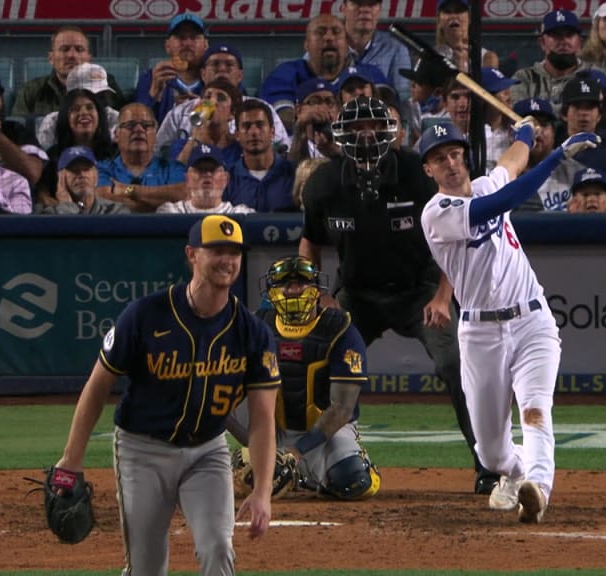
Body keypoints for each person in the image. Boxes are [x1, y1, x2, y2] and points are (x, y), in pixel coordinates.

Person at [52, 214, 280, 576]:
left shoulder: (252, 332)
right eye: (216, 250)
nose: (227, 260)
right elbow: (97, 387)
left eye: (234, 252)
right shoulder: (145, 315)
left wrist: (263, 491)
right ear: (192, 254)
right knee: (146, 567)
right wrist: (71, 459)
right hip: (142, 451)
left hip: (208, 451)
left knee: (218, 547)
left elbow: (264, 418)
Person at [299, 95, 499, 495]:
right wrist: (317, 293)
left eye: (374, 126)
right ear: (341, 135)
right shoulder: (323, 181)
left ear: (392, 130)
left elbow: (455, 236)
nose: (367, 135)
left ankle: (490, 465)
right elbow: (310, 242)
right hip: (357, 292)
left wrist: (443, 296)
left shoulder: (415, 173)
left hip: (420, 289)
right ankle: (319, 462)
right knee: (316, 364)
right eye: (356, 129)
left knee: (456, 363)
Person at [417, 120, 600, 524]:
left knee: (535, 409)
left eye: (454, 154)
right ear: (428, 169)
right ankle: (515, 474)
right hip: (480, 332)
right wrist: (555, 156)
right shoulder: (437, 214)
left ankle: (538, 489)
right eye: (438, 158)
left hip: (532, 319)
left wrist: (524, 135)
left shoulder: (485, 184)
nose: (450, 163)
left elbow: (511, 165)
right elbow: (504, 199)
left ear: (463, 157)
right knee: (490, 451)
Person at [228, 255, 379, 500]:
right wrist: (258, 446)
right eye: (285, 284)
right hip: (271, 428)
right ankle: (270, 463)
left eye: (301, 283)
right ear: (271, 291)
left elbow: (342, 408)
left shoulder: (340, 329)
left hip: (324, 432)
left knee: (352, 482)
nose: (292, 291)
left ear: (316, 289)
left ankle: (307, 470)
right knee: (221, 392)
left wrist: (296, 452)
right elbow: (223, 396)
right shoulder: (254, 327)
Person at [260, 14, 387, 133]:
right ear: (306, 44)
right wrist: (305, 121)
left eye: (336, 32)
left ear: (347, 43)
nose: (329, 38)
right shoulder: (285, 73)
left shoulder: (369, 73)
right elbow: (279, 117)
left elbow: (389, 108)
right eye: (320, 33)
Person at [156, 44, 290, 154]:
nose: (221, 69)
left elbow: (282, 150)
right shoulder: (179, 112)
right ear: (202, 74)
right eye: (214, 64)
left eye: (229, 65)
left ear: (240, 75)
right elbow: (158, 153)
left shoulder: (260, 109)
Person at [11, 25, 125, 116]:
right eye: (64, 49)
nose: (72, 55)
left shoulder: (107, 84)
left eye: (79, 49)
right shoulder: (31, 90)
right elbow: (18, 130)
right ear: (51, 58)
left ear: (89, 58)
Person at [96, 102, 185, 212]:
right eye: (130, 125)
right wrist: (160, 204)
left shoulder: (173, 168)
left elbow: (184, 194)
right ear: (116, 135)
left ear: (155, 134)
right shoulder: (101, 169)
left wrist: (128, 190)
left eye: (146, 125)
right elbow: (103, 199)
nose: (139, 130)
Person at [510, 9, 602, 116]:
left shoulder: (594, 74)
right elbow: (517, 114)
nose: (564, 41)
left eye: (569, 35)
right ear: (542, 43)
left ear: (580, 42)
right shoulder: (525, 77)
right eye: (556, 35)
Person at [34, 87, 115, 206]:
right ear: (65, 118)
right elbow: (42, 191)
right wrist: (61, 208)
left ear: (99, 115)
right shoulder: (54, 155)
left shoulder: (114, 153)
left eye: (89, 107)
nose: (83, 113)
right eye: (75, 109)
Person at [134, 13, 210, 123]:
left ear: (206, 45)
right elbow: (137, 122)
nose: (187, 43)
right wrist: (154, 94)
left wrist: (201, 106)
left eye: (194, 37)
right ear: (167, 45)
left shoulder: (216, 79)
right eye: (180, 37)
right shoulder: (150, 78)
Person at [225, 99, 296, 212]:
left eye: (260, 125)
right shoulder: (226, 179)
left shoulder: (295, 174)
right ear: (237, 135)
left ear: (272, 132)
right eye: (246, 126)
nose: (254, 132)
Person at [36, 63, 122, 149]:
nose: (97, 100)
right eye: (90, 94)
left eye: (101, 95)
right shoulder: (52, 122)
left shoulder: (115, 118)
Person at [156, 143, 254, 214]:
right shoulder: (170, 213)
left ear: (226, 179)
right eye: (200, 169)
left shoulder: (241, 214)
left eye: (213, 170)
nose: (207, 174)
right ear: (187, 179)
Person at [341, 0, 410, 99]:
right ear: (343, 8)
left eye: (372, 4)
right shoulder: (330, 48)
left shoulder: (396, 48)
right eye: (358, 3)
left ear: (380, 9)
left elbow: (403, 98)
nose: (365, 10)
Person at [38, 146, 128, 215]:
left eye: (86, 169)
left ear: (96, 175)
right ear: (61, 177)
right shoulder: (49, 214)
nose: (82, 175)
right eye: (74, 170)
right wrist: (67, 206)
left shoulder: (115, 211)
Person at [434, 0, 498, 72]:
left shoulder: (487, 57)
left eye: (459, 11)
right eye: (447, 12)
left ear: (469, 18)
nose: (453, 16)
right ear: (439, 20)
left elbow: (486, 83)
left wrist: (461, 64)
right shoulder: (430, 58)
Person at [288, 79, 342, 164]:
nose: (323, 108)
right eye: (314, 102)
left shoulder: (348, 143)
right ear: (298, 111)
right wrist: (300, 132)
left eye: (329, 102)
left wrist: (334, 153)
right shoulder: (288, 144)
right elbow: (291, 173)